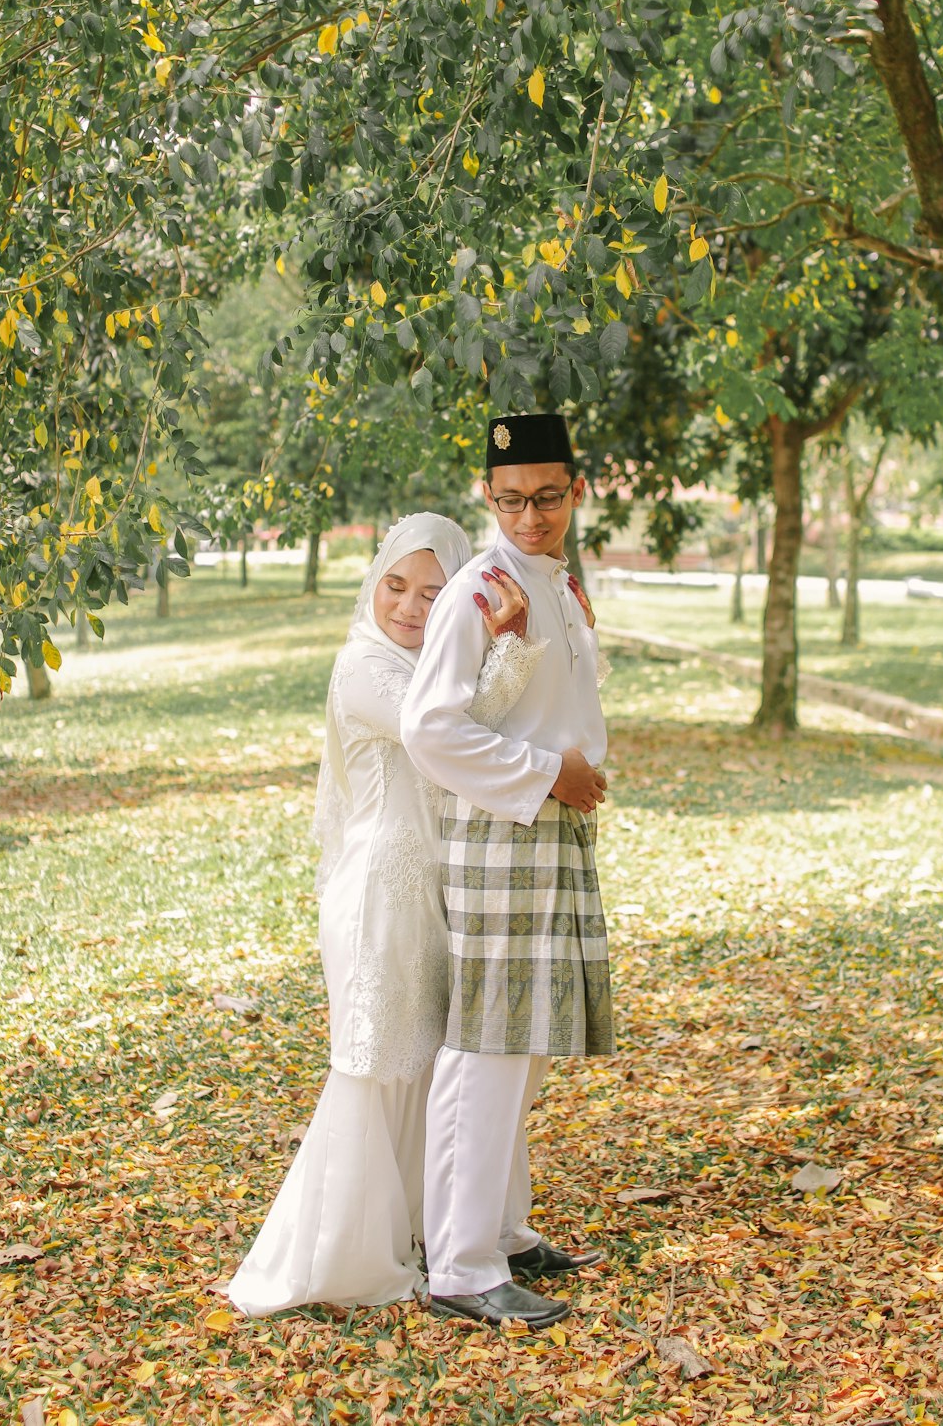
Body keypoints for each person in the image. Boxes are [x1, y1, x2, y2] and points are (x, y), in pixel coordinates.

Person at [227, 513, 543, 1315]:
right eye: (395, 585)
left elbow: (477, 722)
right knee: (375, 1067)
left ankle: (435, 1228)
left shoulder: (429, 664)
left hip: (431, 894)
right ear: (374, 583)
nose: (407, 605)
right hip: (378, 896)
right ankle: (343, 1258)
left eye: (433, 594)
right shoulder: (366, 667)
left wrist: (501, 638)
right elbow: (449, 733)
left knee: (433, 1065)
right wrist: (507, 647)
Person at [400, 414, 614, 1330]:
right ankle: (459, 1264)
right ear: (489, 498)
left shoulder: (557, 582)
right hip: (501, 834)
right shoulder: (478, 590)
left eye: (549, 497)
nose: (532, 516)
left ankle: (506, 1231)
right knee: (486, 1049)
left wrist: (571, 775)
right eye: (513, 500)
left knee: (521, 1047)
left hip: (552, 830)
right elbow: (429, 728)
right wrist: (546, 774)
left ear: (577, 490)